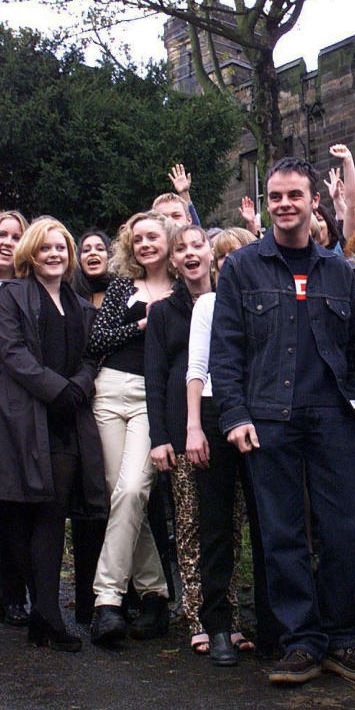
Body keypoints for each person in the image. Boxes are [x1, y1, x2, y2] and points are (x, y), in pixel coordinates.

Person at [210, 156, 355, 686]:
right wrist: (234, 413)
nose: (285, 205)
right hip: (269, 418)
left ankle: (341, 637)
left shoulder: (336, 269)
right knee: (281, 532)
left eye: (295, 196)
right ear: (268, 203)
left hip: (331, 416)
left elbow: (354, 345)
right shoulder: (242, 267)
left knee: (345, 528)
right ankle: (300, 642)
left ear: (314, 202)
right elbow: (226, 347)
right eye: (276, 196)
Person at [0, 218, 108, 652]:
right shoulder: (12, 295)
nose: (54, 254)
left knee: (52, 515)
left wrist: (78, 387)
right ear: (31, 253)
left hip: (66, 419)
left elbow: (91, 354)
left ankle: (47, 616)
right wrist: (56, 388)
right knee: (18, 517)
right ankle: (42, 614)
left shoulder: (79, 301)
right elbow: (12, 353)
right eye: (46, 247)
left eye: (61, 248)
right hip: (23, 416)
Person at [184, 226, 277, 664]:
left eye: (235, 254)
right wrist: (193, 427)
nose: (227, 263)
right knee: (216, 524)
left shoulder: (270, 300)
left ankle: (272, 623)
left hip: (261, 413)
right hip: (213, 412)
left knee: (268, 522)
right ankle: (218, 624)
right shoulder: (208, 303)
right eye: (221, 257)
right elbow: (197, 368)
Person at [87, 212, 176, 644]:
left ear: (169, 240)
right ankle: (156, 596)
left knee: (133, 490)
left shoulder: (183, 289)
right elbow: (96, 340)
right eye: (137, 239)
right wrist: (143, 321)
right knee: (117, 493)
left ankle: (106, 600)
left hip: (150, 397)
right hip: (108, 392)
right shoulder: (122, 286)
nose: (144, 244)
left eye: (152, 237)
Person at [146, 223, 215, 656]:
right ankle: (196, 614)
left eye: (198, 245)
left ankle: (227, 611)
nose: (190, 254)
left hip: (224, 423)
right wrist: (159, 437)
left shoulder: (229, 302)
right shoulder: (162, 313)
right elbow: (153, 378)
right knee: (188, 524)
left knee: (226, 521)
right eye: (181, 249)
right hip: (179, 425)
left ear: (210, 252)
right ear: (172, 261)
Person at [0, 210, 37, 627]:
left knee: (27, 501)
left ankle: (30, 593)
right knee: (5, 502)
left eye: (17, 235)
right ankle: (10, 593)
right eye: (2, 233)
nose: (8, 241)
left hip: (26, 397)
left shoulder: (35, 287)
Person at [72, 230, 113, 308]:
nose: (93, 253)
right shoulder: (70, 297)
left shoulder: (123, 293)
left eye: (100, 249)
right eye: (86, 250)